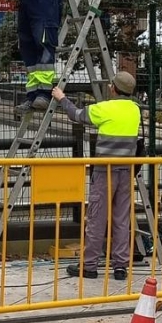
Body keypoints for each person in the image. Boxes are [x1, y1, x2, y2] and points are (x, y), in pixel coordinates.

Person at [51, 72, 141, 280]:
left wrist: (61, 98)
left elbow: (77, 115)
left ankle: (89, 265)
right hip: (126, 170)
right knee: (121, 219)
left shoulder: (104, 108)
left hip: (104, 170)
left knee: (97, 218)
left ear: (113, 88)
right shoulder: (135, 110)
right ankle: (120, 266)